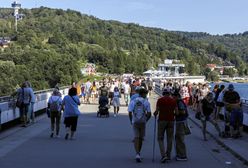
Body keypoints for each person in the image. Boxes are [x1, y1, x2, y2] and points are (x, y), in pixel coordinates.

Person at [154, 89, 177, 163]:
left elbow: (157, 111)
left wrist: (155, 114)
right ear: (169, 94)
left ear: (163, 93)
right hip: (171, 121)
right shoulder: (173, 101)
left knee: (160, 138)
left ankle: (163, 155)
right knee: (170, 138)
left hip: (162, 120)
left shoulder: (160, 100)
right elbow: (176, 112)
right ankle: (168, 155)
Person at [128, 88, 151, 163]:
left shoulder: (133, 101)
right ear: (143, 94)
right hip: (143, 121)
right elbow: (149, 114)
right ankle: (139, 153)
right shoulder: (146, 102)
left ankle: (137, 153)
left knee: (136, 137)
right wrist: (146, 120)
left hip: (135, 121)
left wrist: (131, 120)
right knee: (141, 137)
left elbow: (130, 112)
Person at [173, 92, 188, 161]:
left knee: (180, 139)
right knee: (178, 138)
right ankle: (179, 154)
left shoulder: (179, 102)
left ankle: (183, 155)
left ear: (177, 96)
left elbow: (183, 112)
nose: (173, 99)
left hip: (181, 122)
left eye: (174, 97)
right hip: (180, 121)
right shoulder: (179, 102)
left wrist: (176, 112)